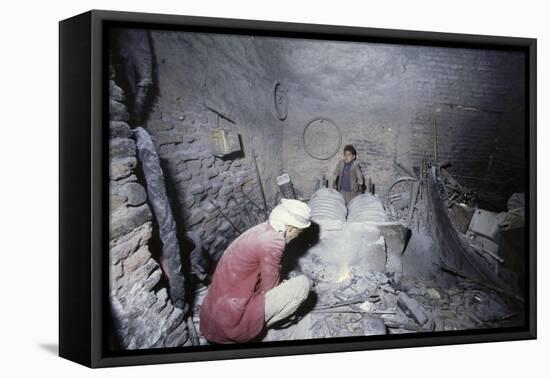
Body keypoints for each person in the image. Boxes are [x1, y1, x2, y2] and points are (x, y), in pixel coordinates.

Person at [199, 199, 312, 344]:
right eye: (299, 232)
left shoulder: (262, 229)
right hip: (233, 321)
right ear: (290, 228)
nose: (297, 236)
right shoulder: (274, 241)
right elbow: (270, 287)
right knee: (303, 284)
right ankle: (261, 328)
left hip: (214, 316)